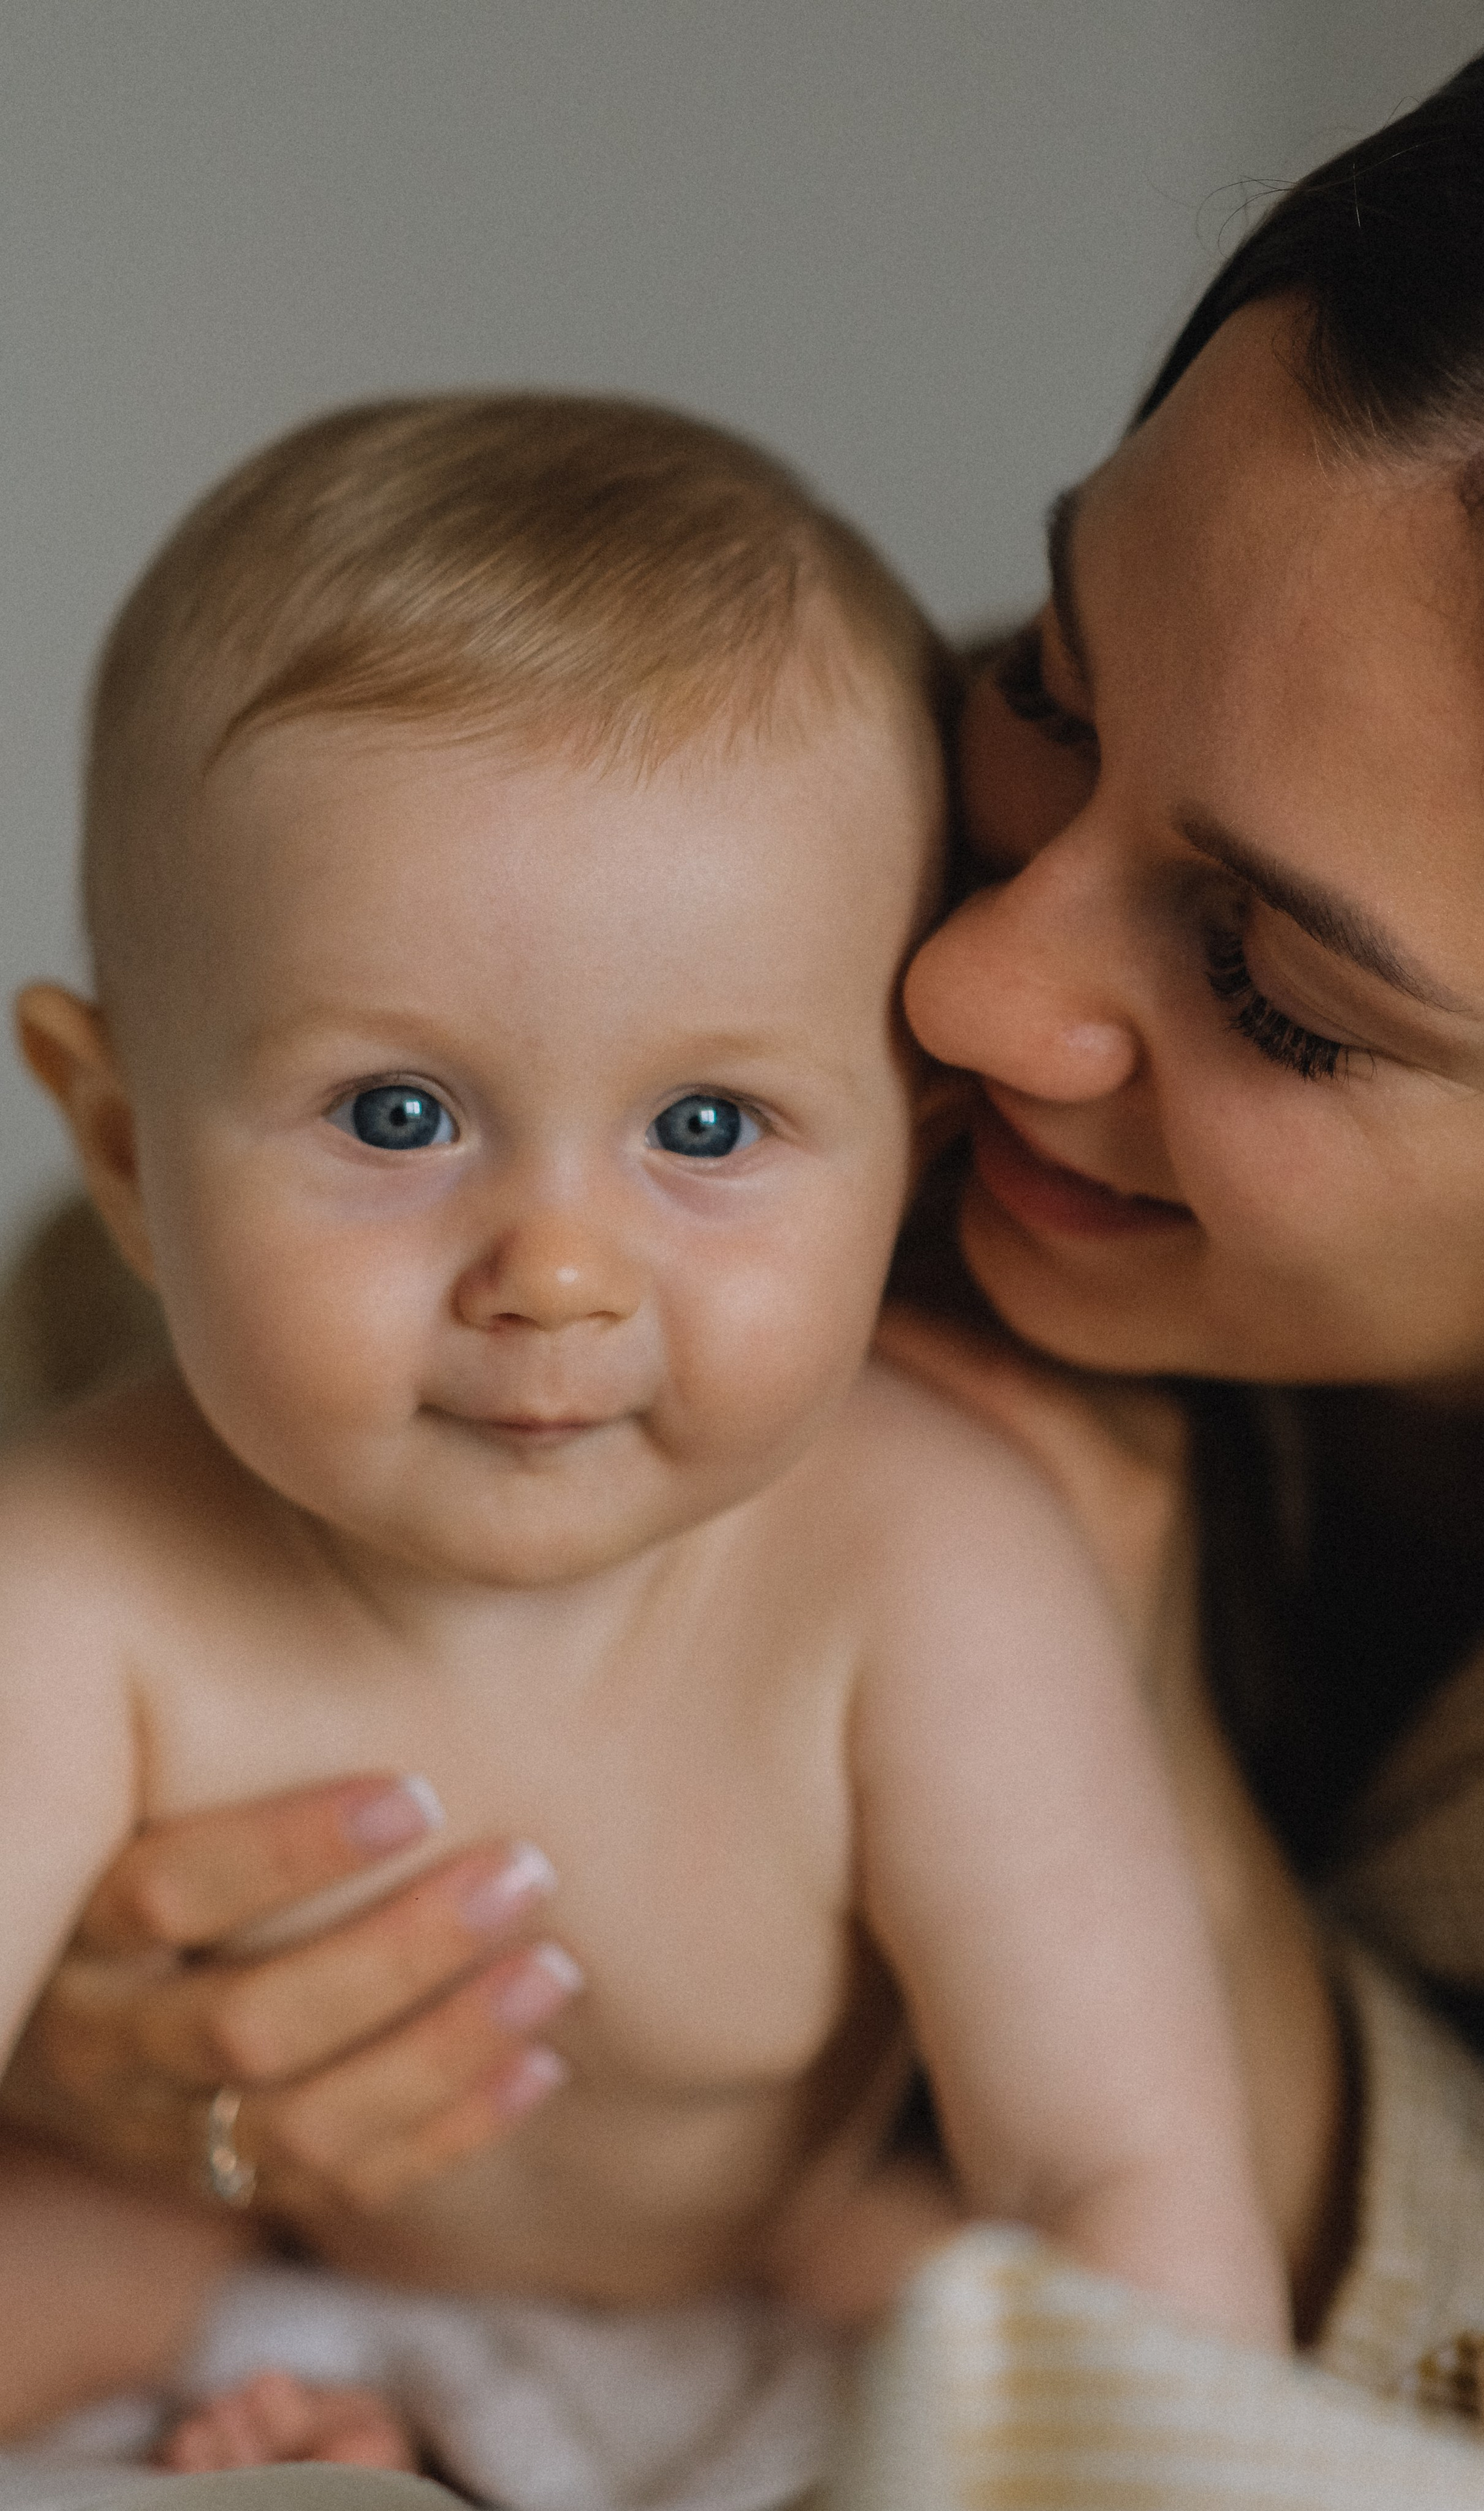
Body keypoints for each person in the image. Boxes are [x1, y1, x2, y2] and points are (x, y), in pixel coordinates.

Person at [11, 0, 1484, 2500]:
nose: (960, 1000)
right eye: (1051, 684)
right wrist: (124, 2102)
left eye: (1272, 985)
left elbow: (1175, 2274)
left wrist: (1187, 1873)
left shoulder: (920, 1554)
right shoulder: (125, 1492)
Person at [0, 391, 1287, 2467]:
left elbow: (1117, 2176)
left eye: (708, 1127)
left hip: (756, 2292)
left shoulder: (920, 1565)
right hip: (211, 2254)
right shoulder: (76, 1569)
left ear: (910, 1159)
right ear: (127, 1150)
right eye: (396, 1116)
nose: (560, 1270)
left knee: (962, 2333)